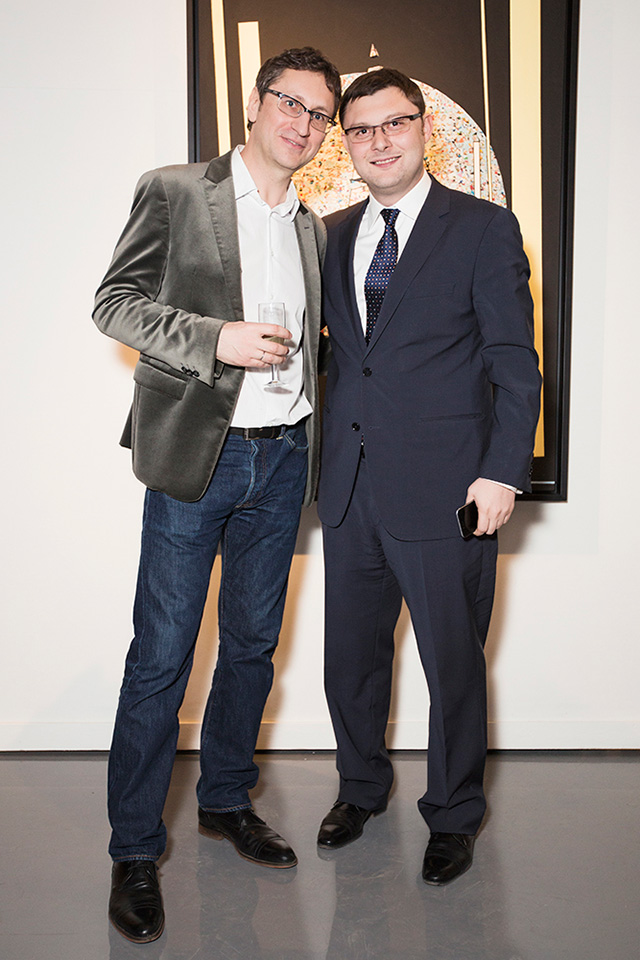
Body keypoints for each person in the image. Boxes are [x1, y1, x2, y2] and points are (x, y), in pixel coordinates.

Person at [93, 47, 341, 943]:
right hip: (201, 459)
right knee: (162, 655)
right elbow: (114, 303)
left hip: (282, 460)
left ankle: (226, 798)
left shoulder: (312, 228)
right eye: (290, 103)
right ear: (256, 102)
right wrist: (216, 340)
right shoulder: (174, 190)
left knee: (251, 646)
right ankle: (133, 848)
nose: (302, 123)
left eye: (319, 114)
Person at [316, 68, 541, 885]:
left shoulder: (483, 228)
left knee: (451, 664)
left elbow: (514, 363)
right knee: (351, 662)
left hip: (450, 491)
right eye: (361, 129)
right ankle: (360, 788)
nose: (379, 141)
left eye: (394, 123)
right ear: (346, 144)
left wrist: (502, 474)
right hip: (350, 488)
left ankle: (453, 812)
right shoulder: (329, 235)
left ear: (424, 128)